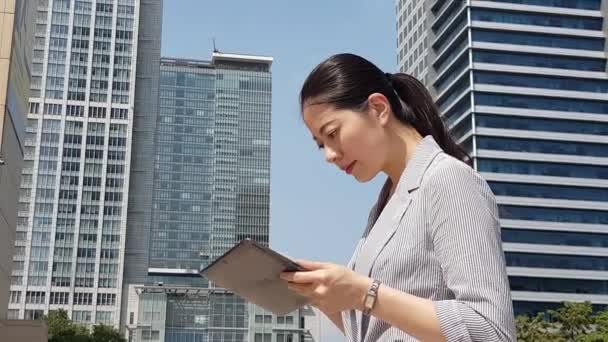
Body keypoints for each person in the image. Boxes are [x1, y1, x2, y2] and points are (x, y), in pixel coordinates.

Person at [280, 53, 516, 342]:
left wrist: (363, 293)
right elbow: (383, 331)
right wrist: (323, 295)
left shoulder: (448, 179)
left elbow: (491, 330)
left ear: (379, 108)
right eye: (321, 145)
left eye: (332, 133)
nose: (330, 155)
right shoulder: (384, 204)